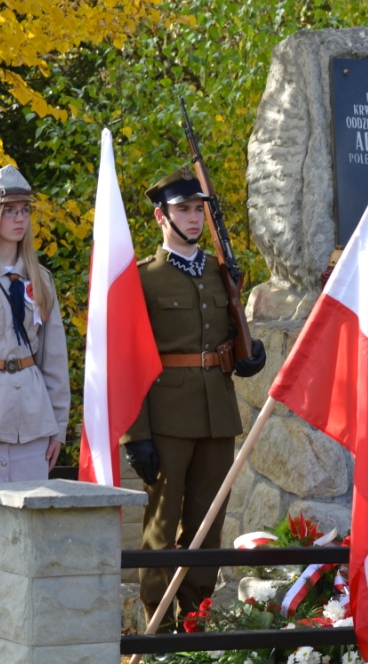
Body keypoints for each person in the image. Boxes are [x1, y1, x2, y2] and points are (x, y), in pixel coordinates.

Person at [121, 167, 266, 628]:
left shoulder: (220, 272)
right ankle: (158, 625)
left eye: (198, 209)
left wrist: (247, 354)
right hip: (165, 416)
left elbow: (231, 337)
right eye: (184, 209)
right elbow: (128, 361)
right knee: (162, 525)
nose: (194, 217)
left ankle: (195, 620)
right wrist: (135, 435)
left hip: (216, 413)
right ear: (161, 217)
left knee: (209, 525)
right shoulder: (143, 279)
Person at [0, 166, 70, 664]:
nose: (20, 219)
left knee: (23, 543)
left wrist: (58, 427)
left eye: (25, 210)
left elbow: (55, 360)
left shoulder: (40, 280)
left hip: (31, 424)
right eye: (9, 210)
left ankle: (19, 645)